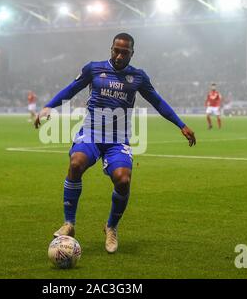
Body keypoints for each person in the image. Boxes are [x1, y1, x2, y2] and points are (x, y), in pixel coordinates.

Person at [34, 33, 196, 254]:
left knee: (123, 180)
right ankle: (69, 223)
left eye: (124, 52)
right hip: (91, 133)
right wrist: (48, 107)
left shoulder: (138, 77)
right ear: (111, 49)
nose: (119, 56)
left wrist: (181, 124)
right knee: (75, 163)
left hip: (118, 140)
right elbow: (71, 89)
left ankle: (111, 227)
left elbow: (157, 101)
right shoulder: (93, 69)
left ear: (132, 53)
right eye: (116, 51)